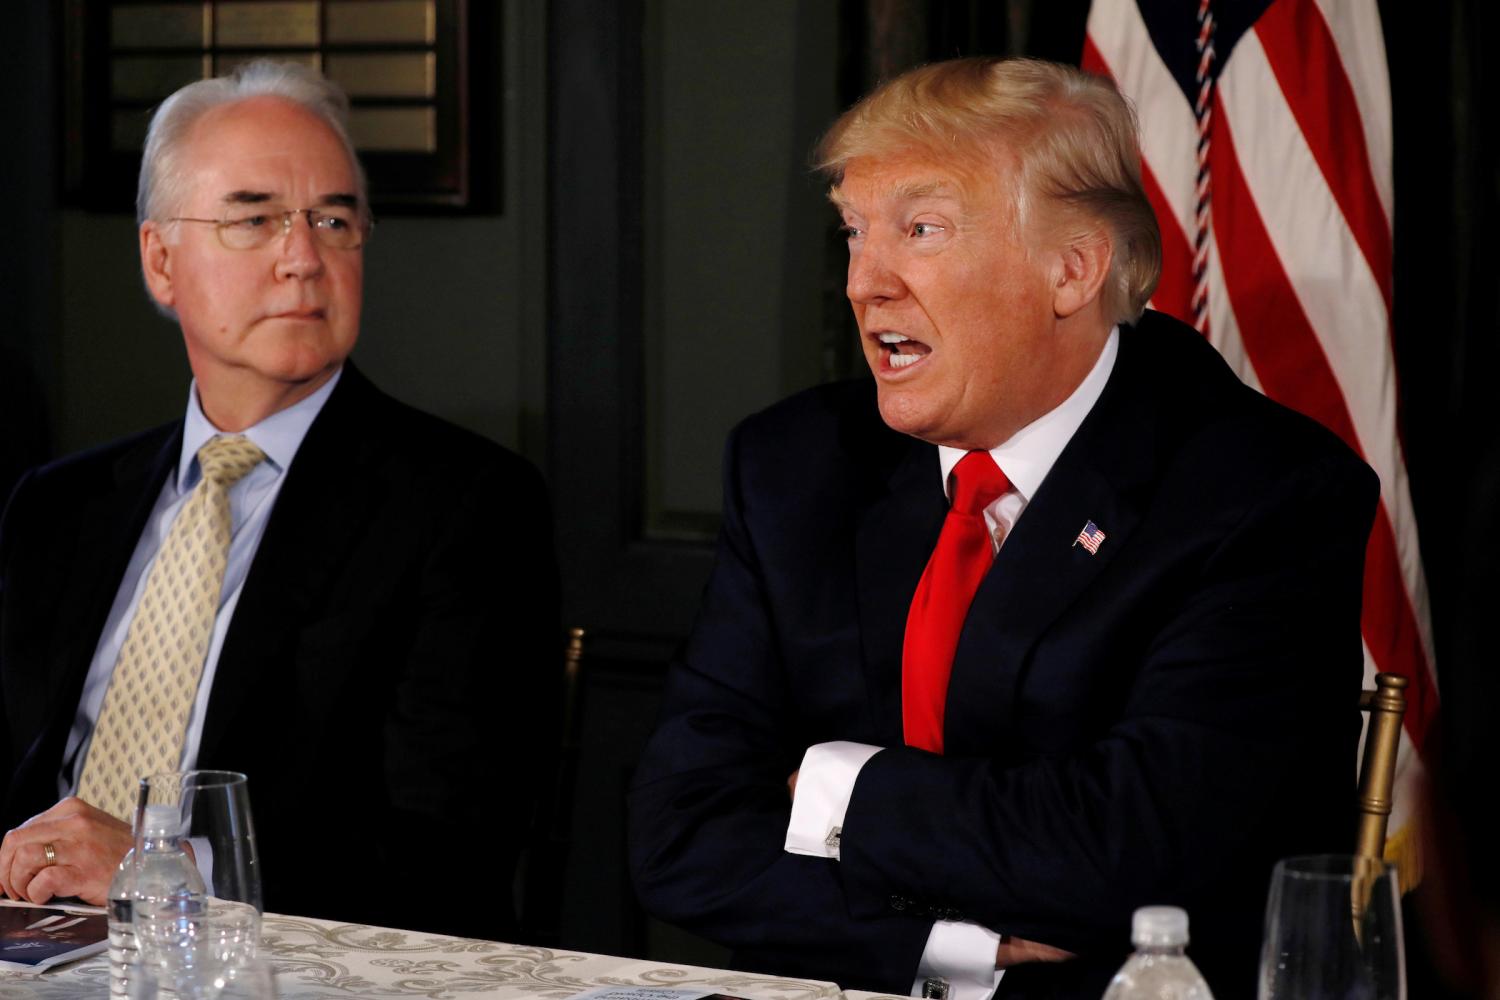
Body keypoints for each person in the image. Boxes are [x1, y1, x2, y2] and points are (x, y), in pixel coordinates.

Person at [628, 57, 1377, 1000]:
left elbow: (1131, 853)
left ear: (1072, 268)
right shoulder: (794, 465)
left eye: (922, 229)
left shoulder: (1264, 494)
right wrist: (958, 939)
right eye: (856, 233)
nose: (865, 285)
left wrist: (830, 790)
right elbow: (678, 834)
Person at [0, 61, 558, 941]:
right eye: (254, 219)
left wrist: (158, 873)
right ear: (160, 261)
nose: (303, 259)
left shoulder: (466, 506)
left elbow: (448, 856)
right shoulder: (58, 507)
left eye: (334, 220)